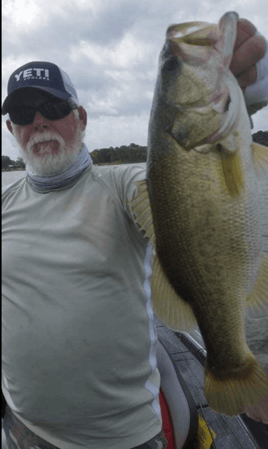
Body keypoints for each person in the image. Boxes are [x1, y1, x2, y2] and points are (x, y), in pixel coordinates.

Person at [2, 16, 268, 449]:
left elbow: (185, 176)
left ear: (81, 117)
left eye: (52, 108)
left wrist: (246, 91)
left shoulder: (123, 185)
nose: (38, 123)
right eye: (21, 114)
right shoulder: (4, 207)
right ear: (11, 130)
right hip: (23, 429)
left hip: (121, 438)